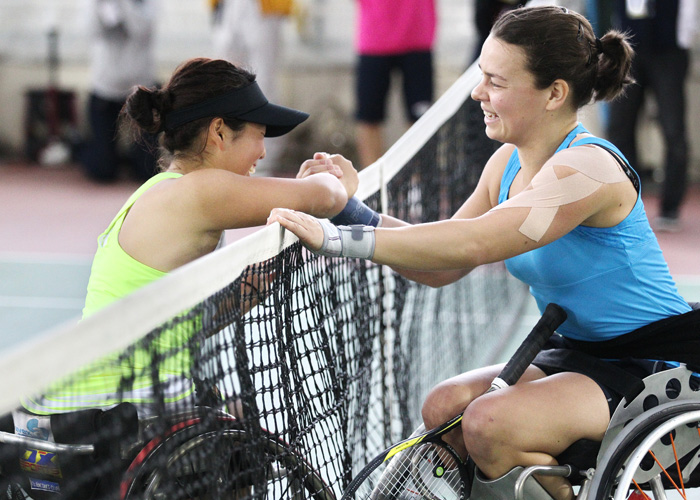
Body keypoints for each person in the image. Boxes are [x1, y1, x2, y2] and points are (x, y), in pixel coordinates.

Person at [268, 7, 698, 500]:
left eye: (495, 80)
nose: (478, 93)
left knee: (489, 422)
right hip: (581, 354)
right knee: (445, 407)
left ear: (555, 93)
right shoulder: (506, 164)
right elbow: (445, 260)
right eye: (480, 76)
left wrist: (340, 241)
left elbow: (478, 240)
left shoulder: (588, 171)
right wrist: (351, 212)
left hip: (657, 368)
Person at [21, 57, 357, 419]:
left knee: (237, 419)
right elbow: (326, 197)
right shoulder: (200, 192)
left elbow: (180, 321)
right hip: (106, 412)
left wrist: (256, 282)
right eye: (259, 135)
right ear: (219, 132)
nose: (263, 152)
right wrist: (338, 181)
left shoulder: (168, 191)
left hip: (98, 405)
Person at [605, 0, 697, 232]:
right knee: (619, 128)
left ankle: (670, 208)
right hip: (629, 51)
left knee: (673, 130)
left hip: (669, 52)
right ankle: (627, 202)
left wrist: (684, 40)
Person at [80, 0, 160, 183]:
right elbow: (92, 31)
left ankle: (130, 159)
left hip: (140, 87)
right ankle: (80, 148)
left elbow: (141, 30)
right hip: (105, 88)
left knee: (146, 171)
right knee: (102, 171)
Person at [354, 0, 436, 169]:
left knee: (420, 119)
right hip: (374, 39)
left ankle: (418, 182)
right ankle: (372, 187)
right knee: (368, 117)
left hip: (417, 36)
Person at [211, 0, 291, 174]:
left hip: (263, 6)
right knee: (225, 78)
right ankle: (229, 150)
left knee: (264, 82)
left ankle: (265, 157)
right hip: (229, 5)